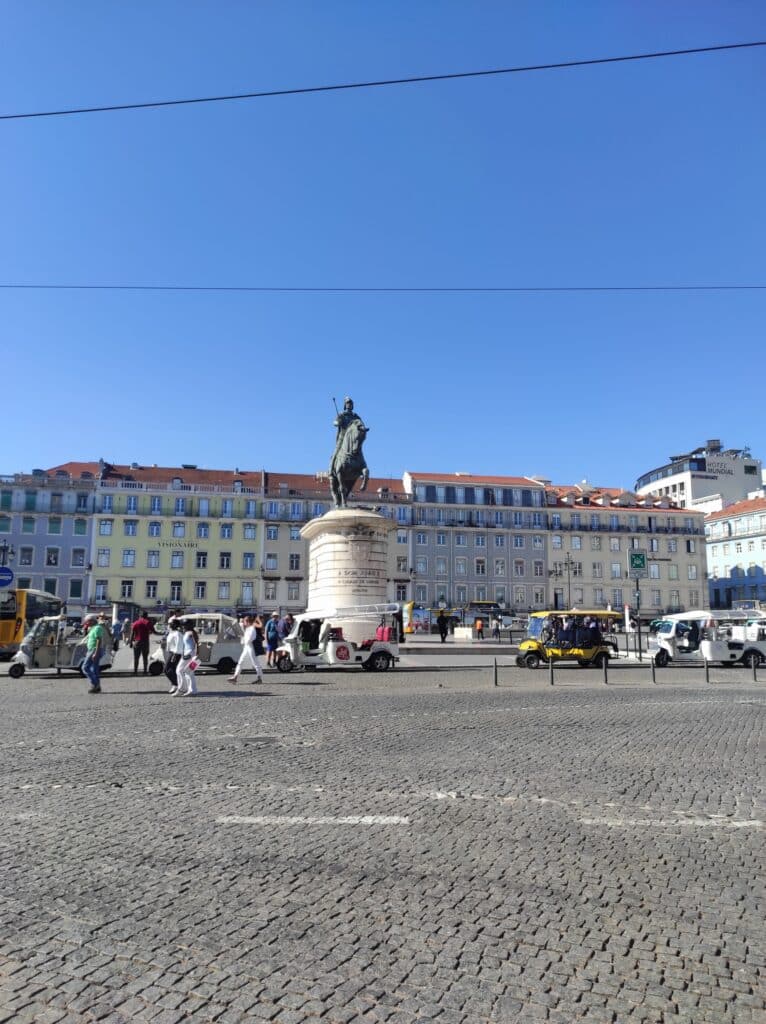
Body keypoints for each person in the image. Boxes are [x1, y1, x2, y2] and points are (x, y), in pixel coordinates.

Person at [228, 614, 265, 684]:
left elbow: (249, 639)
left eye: (244, 621)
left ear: (247, 621)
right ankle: (235, 677)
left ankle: (259, 677)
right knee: (241, 661)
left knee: (255, 662)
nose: (243, 623)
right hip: (247, 647)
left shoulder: (252, 628)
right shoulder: (248, 628)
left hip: (251, 647)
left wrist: (243, 639)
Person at [82, 614, 108, 694]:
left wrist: (95, 653)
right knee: (94, 669)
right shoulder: (93, 628)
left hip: (94, 650)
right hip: (92, 650)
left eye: (87, 621)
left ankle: (95, 683)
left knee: (85, 667)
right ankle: (97, 687)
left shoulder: (97, 628)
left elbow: (98, 640)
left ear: (92, 621)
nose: (86, 623)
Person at [174, 620, 199, 697]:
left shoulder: (192, 632)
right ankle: (185, 689)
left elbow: (198, 643)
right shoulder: (186, 632)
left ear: (190, 625)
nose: (183, 626)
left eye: (185, 625)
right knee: (181, 670)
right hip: (186, 654)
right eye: (183, 625)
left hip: (191, 654)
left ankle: (189, 690)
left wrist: (197, 655)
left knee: (188, 672)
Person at [131, 610, 155, 675]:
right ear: (146, 616)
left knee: (136, 658)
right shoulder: (147, 622)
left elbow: (132, 633)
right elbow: (153, 631)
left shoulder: (135, 623)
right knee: (145, 657)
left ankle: (135, 672)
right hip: (145, 642)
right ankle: (145, 671)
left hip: (137, 642)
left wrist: (131, 642)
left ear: (140, 615)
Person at [165, 618, 183, 694]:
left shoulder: (177, 634)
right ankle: (174, 685)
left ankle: (177, 685)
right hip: (171, 652)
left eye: (170, 624)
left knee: (167, 670)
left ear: (173, 625)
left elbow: (179, 645)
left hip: (175, 653)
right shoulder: (171, 633)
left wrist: (175, 655)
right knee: (171, 670)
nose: (168, 625)